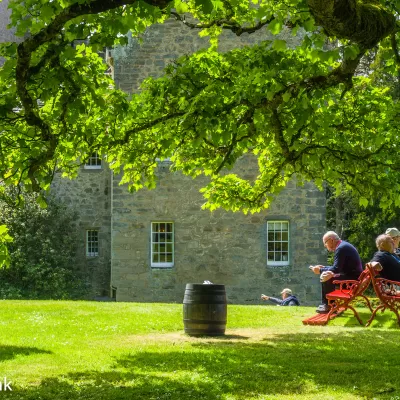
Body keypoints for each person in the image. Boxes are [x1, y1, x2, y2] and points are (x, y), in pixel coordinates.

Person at [309, 231, 363, 313]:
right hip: (354, 278)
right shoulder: (343, 246)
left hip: (352, 282)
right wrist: (324, 267)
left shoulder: (341, 248)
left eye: (325, 243)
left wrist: (320, 270)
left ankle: (328, 305)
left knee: (326, 276)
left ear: (331, 240)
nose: (325, 246)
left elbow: (336, 269)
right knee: (327, 274)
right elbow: (337, 268)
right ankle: (330, 304)